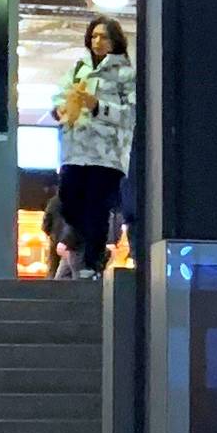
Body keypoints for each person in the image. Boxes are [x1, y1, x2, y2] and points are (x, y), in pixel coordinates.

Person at [55, 16, 134, 278]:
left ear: (115, 41)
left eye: (104, 37)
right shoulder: (78, 68)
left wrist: (98, 106)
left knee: (97, 208)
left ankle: (92, 262)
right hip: (75, 151)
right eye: (94, 36)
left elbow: (131, 114)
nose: (97, 41)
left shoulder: (126, 74)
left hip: (107, 155)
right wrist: (59, 110)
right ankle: (81, 240)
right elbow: (59, 95)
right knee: (69, 201)